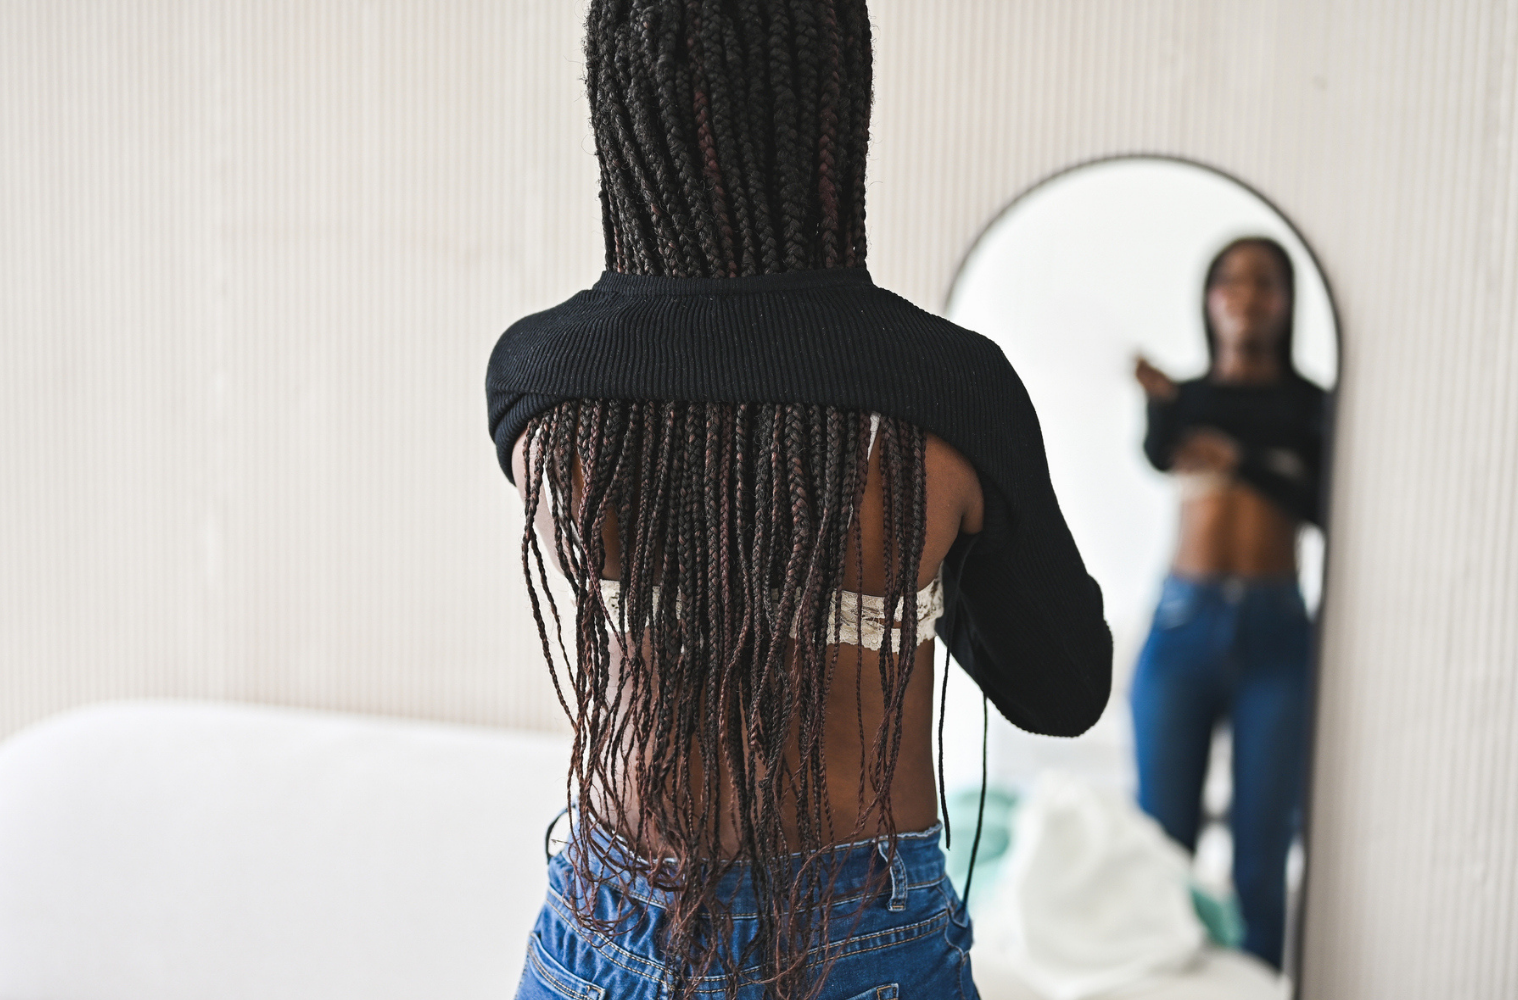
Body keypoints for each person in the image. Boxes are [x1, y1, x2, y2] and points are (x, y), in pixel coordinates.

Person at [484, 3, 1111, 998]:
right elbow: (1061, 690)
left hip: (603, 933)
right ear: (836, 107)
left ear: (619, 105)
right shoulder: (944, 391)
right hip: (861, 944)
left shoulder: (542, 380)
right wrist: (912, 574)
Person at [1128, 237, 1329, 971]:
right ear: (1209, 298)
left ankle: (1259, 982)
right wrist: (1156, 404)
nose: (1246, 295)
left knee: (1263, 847)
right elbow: (1156, 454)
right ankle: (1161, 981)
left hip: (1277, 631)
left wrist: (1237, 461)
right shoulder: (1190, 398)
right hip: (1183, 626)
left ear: (1287, 301)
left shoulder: (1314, 407)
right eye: (1230, 281)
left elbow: (1322, 505)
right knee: (1160, 842)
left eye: (1265, 282)